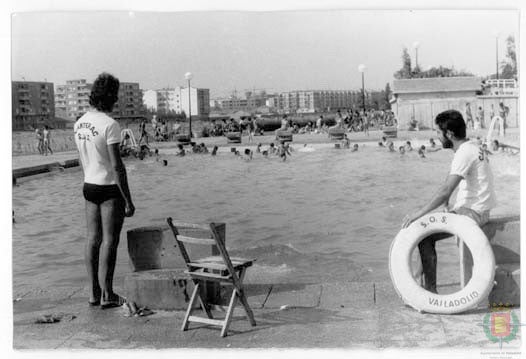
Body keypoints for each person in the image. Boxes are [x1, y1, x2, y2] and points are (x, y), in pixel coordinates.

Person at [402, 109, 496, 294]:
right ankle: (418, 278)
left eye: (438, 132)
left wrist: (417, 214)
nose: (437, 137)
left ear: (449, 134)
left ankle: (430, 293)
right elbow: (458, 185)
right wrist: (448, 206)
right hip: (477, 209)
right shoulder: (472, 147)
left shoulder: (463, 153)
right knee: (426, 227)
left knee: (426, 235)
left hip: (473, 213)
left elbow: (445, 191)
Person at [74, 72, 135, 309]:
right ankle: (108, 295)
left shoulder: (80, 123)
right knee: (110, 241)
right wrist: (128, 200)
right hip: (109, 188)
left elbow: (82, 159)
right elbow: (117, 167)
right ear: (109, 97)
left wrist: (89, 177)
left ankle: (93, 293)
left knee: (92, 239)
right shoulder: (110, 125)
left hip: (89, 185)